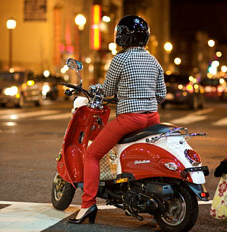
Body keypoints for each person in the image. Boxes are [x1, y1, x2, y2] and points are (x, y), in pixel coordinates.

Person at [68, 15, 166, 224]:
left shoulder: (121, 59)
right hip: (153, 118)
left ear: (123, 36)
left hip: (131, 119)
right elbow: (161, 94)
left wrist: (98, 90)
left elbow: (108, 90)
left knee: (92, 155)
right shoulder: (153, 59)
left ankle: (87, 205)